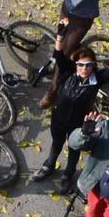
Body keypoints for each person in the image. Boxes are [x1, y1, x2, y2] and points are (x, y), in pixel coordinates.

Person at [33, 49, 101, 189]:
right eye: (80, 64)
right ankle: (48, 166)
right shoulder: (68, 73)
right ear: (75, 64)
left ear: (93, 65)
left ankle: (68, 175)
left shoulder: (96, 80)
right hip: (59, 118)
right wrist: (59, 37)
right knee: (56, 143)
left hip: (78, 123)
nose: (84, 68)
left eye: (88, 65)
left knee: (74, 148)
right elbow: (58, 55)